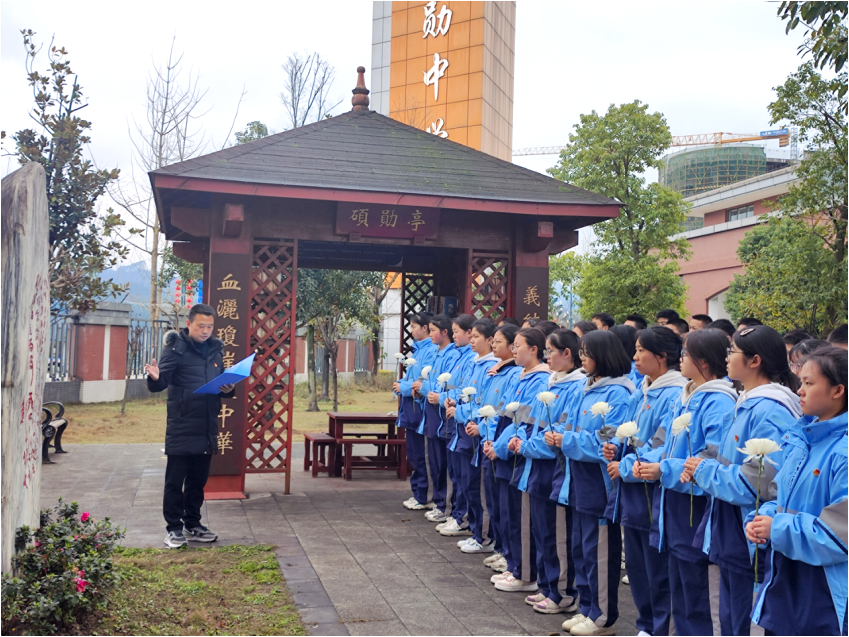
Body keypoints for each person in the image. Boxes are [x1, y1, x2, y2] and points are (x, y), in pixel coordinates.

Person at [683, 326, 802, 636]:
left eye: (732, 351)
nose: (726, 358)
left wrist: (704, 471)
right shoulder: (748, 400)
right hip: (730, 527)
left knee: (744, 619)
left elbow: (758, 482)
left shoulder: (771, 409)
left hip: (748, 531)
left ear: (755, 361)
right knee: (728, 615)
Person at [635, 329, 738, 636]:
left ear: (704, 361)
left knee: (697, 593)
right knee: (678, 587)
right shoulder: (687, 395)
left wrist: (663, 469)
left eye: (686, 354)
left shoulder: (717, 401)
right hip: (674, 504)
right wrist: (642, 461)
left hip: (694, 505)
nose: (680, 359)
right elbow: (666, 443)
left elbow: (710, 456)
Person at [745, 346, 847, 636]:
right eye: (800, 382)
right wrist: (759, 519)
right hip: (786, 575)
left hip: (824, 588)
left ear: (837, 390)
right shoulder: (801, 437)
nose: (799, 390)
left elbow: (840, 536)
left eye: (809, 383)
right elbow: (779, 498)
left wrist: (776, 527)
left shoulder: (843, 451)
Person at [604, 326, 687, 637]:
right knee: (638, 566)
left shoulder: (673, 393)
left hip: (652, 489)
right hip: (632, 488)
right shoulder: (644, 389)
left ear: (662, 357)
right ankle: (646, 624)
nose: (634, 357)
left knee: (657, 567)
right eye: (635, 350)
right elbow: (633, 434)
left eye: (641, 351)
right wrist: (618, 447)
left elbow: (662, 445)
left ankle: (659, 627)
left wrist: (626, 464)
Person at [553, 330, 635, 636]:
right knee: (581, 547)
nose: (582, 357)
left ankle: (602, 615)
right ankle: (586, 605)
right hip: (576, 479)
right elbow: (569, 423)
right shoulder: (585, 386)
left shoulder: (618, 392)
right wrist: (559, 435)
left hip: (599, 483)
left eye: (587, 352)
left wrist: (567, 439)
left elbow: (607, 441)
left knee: (599, 550)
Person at [145, 304, 236, 549]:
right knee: (175, 481)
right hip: (182, 424)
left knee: (198, 480)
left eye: (210, 326)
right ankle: (173, 528)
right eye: (200, 326)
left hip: (206, 424)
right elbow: (160, 382)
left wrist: (228, 388)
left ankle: (193, 524)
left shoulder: (216, 350)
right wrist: (154, 377)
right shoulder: (175, 349)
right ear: (189, 324)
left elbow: (220, 381)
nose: (205, 331)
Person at [512, 329, 586, 615]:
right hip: (535, 465)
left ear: (568, 353)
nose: (547, 356)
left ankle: (562, 592)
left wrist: (526, 446)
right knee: (543, 532)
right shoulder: (552, 383)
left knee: (557, 536)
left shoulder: (574, 387)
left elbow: (557, 437)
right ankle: (548, 586)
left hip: (552, 469)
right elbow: (531, 420)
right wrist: (520, 440)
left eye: (551, 350)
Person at [490, 328, 551, 594]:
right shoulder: (519, 376)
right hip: (504, 448)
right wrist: (490, 440)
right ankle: (515, 565)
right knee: (507, 513)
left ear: (534, 349)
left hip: (515, 453)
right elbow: (503, 413)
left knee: (519, 516)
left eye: (518, 346)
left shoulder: (540, 380)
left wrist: (501, 447)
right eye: (512, 345)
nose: (513, 351)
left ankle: (525, 573)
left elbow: (523, 424)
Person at [446, 317, 498, 545]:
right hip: (463, 431)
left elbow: (483, 405)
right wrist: (453, 402)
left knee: (477, 488)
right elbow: (464, 392)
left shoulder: (491, 367)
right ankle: (475, 531)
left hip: (475, 434)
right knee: (466, 483)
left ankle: (482, 535)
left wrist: (459, 411)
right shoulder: (474, 362)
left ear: (490, 339)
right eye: (472, 336)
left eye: (476, 336)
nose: (471, 340)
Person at [479, 324, 522, 574]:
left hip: (503, 447)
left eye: (499, 341)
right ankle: (503, 550)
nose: (494, 345)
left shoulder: (517, 375)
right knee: (496, 503)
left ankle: (511, 556)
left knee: (510, 509)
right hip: (491, 441)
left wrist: (497, 445)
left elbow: (512, 418)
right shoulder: (498, 371)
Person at [436, 314, 478, 537]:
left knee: (464, 477)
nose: (454, 335)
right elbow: (455, 387)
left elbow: (466, 391)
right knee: (456, 473)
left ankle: (461, 517)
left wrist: (448, 398)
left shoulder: (473, 360)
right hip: (452, 417)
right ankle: (458, 515)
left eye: (457, 331)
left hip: (463, 422)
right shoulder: (460, 356)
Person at [418, 314, 459, 524]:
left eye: (434, 330)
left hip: (443, 413)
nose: (431, 334)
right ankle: (439, 502)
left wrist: (426, 390)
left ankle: (446, 505)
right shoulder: (435, 352)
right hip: (431, 413)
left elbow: (446, 386)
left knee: (445, 463)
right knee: (433, 460)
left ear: (445, 332)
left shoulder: (452, 355)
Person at [397, 312, 437, 510]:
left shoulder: (430, 351)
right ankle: (418, 493)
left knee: (422, 454)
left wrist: (404, 388)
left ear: (425, 328)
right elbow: (411, 377)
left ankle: (424, 495)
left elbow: (422, 381)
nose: (411, 330)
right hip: (409, 409)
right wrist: (401, 384)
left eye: (414, 326)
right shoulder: (417, 350)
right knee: (413, 453)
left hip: (419, 409)